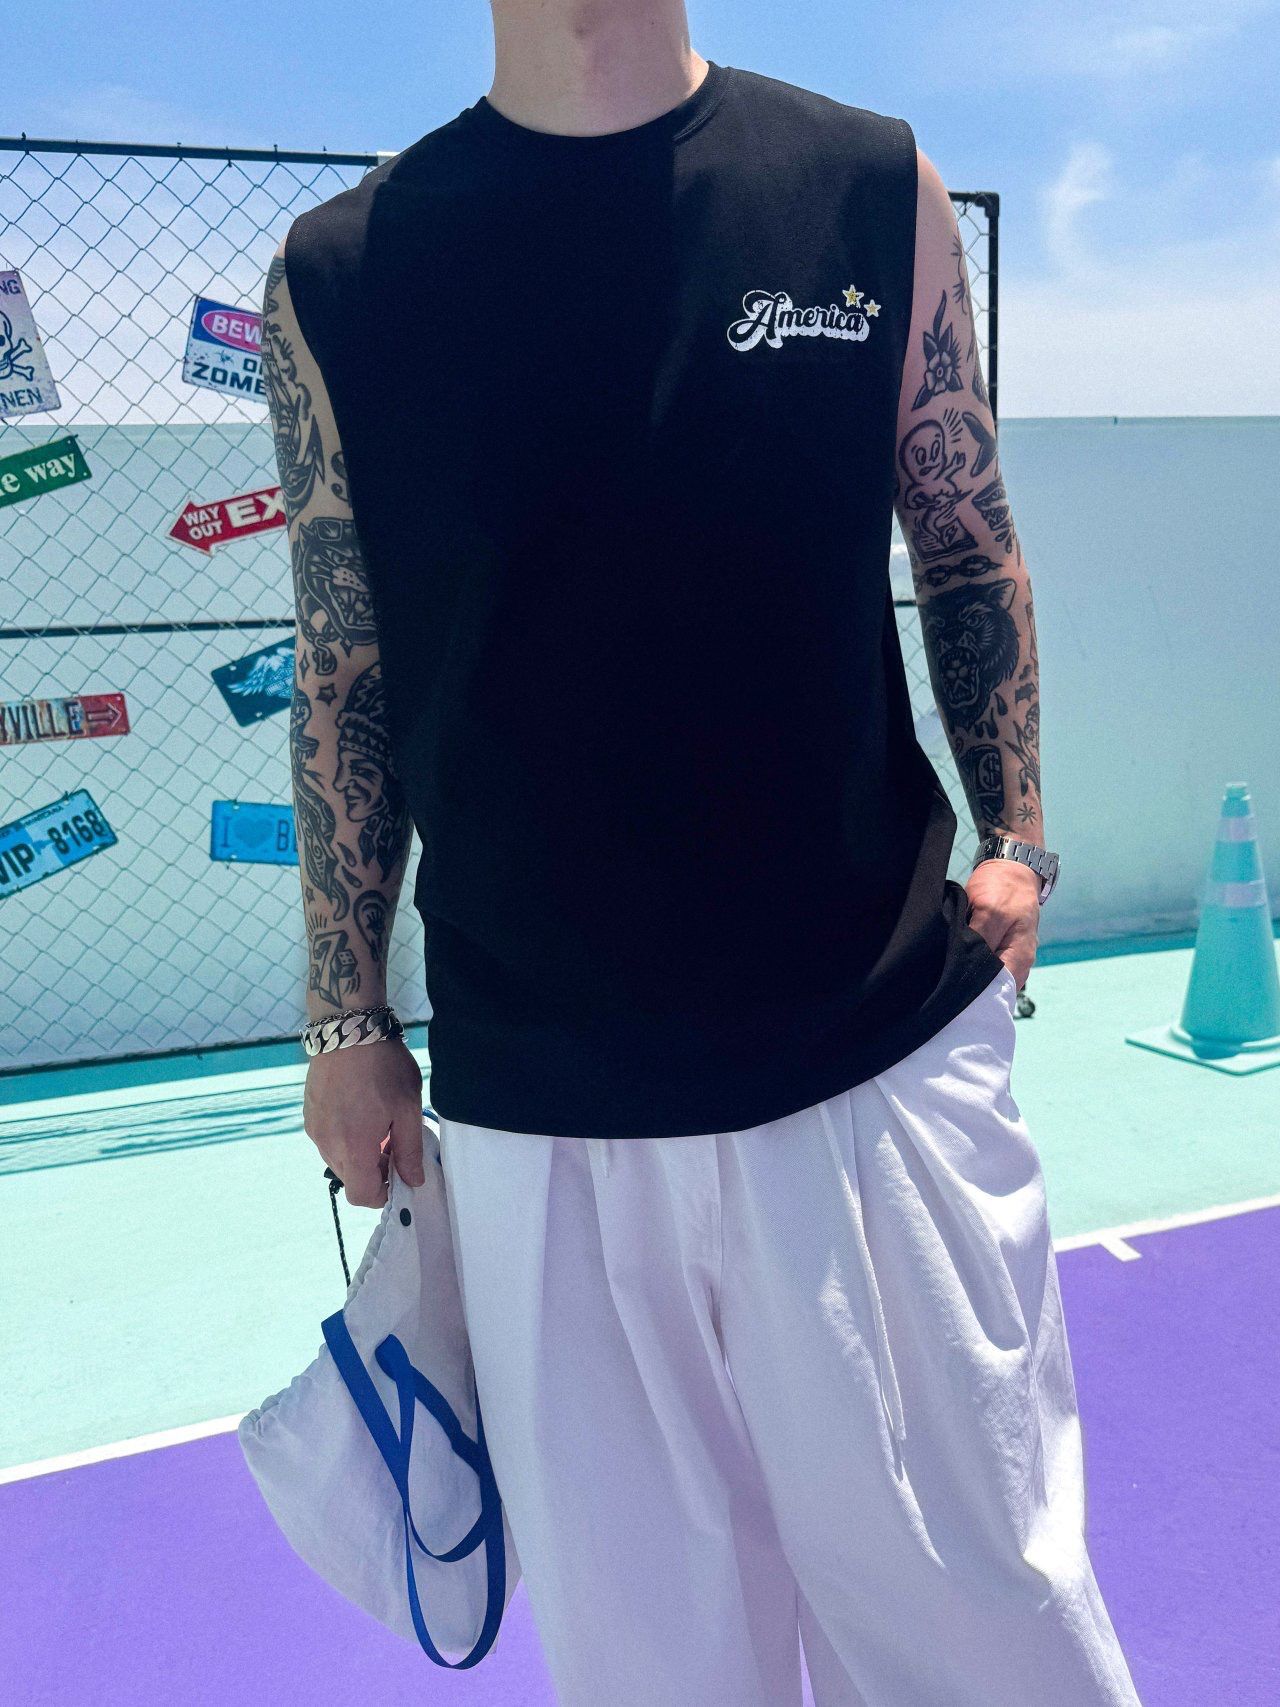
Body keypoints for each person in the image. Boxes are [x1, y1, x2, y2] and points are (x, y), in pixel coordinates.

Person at [263, 5, 1141, 1702]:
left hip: (873, 1061)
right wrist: (343, 1012)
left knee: (1002, 1645)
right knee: (656, 1679)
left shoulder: (868, 184)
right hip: (541, 1116)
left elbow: (965, 536)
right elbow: (343, 660)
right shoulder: (342, 272)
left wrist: (1019, 841)